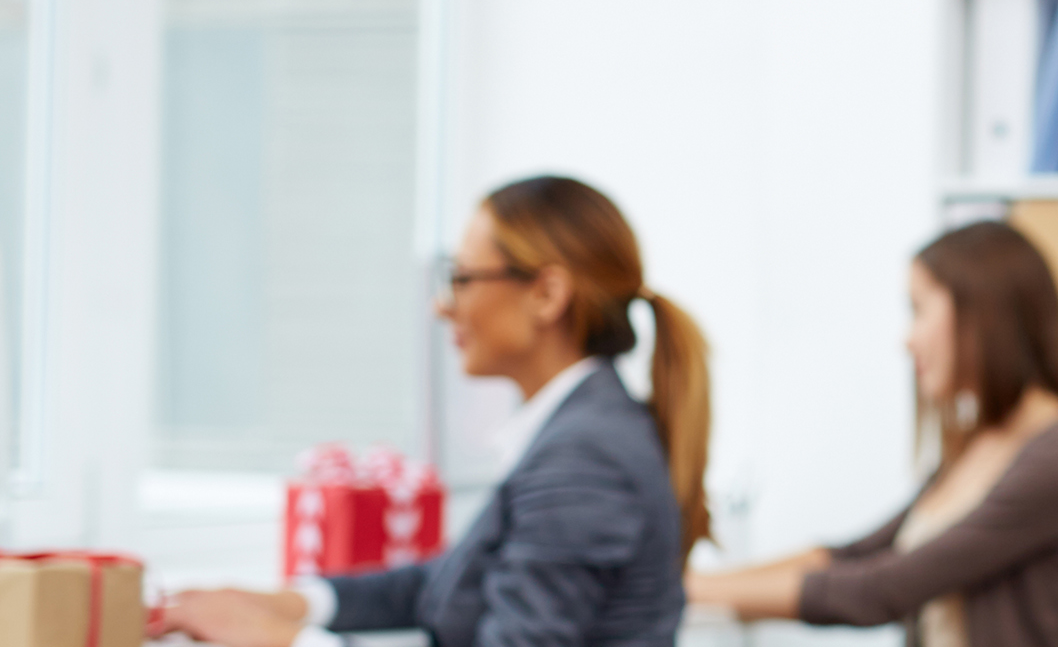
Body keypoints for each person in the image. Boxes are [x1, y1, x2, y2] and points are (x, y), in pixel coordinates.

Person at [159, 175, 713, 647]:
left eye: (463, 278)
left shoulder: (584, 456)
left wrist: (280, 639)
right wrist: (293, 604)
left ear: (547, 295)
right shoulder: (581, 429)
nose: (444, 304)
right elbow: (445, 583)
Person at [685, 221, 1058, 647]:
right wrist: (701, 583)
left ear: (981, 314)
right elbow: (853, 556)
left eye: (919, 310)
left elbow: (883, 590)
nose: (907, 340)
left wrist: (696, 590)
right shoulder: (978, 442)